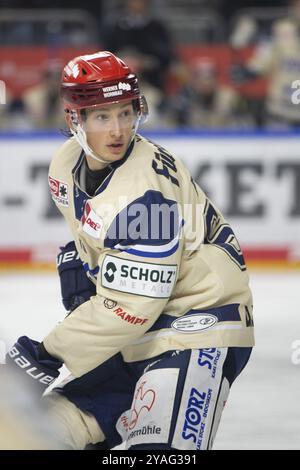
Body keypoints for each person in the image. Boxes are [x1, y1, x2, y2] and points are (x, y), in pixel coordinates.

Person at [6, 51, 254, 451]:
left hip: (196, 325)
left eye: (126, 112)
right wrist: (86, 264)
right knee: (38, 436)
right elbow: (100, 235)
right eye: (103, 116)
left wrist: (46, 354)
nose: (119, 129)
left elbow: (133, 304)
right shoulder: (65, 163)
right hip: (133, 335)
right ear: (76, 120)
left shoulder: (145, 196)